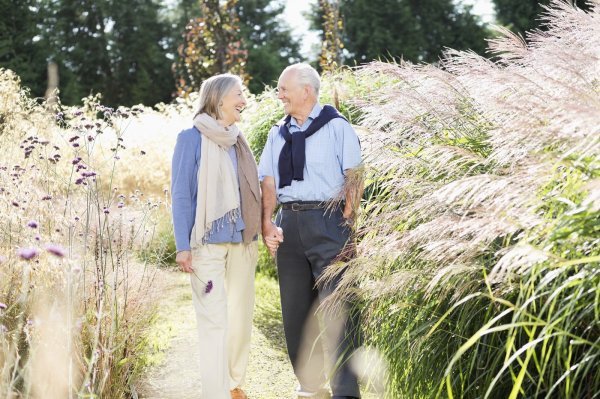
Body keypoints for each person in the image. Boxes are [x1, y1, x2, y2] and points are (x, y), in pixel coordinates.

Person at [259, 63, 363, 399]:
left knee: (339, 308)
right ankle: (310, 385)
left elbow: (354, 176)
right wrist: (267, 222)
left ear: (307, 90)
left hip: (329, 221)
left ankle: (345, 392)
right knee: (295, 311)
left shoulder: (337, 126)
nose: (280, 95)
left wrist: (346, 218)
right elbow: (269, 182)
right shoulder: (278, 132)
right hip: (289, 225)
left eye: (283, 88)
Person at [171, 73, 261, 399]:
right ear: (220, 98)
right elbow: (181, 195)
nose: (244, 100)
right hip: (205, 243)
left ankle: (233, 381)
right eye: (239, 94)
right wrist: (183, 246)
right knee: (213, 320)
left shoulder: (237, 138)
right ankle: (215, 393)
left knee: (239, 316)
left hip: (241, 241)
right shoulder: (190, 139)